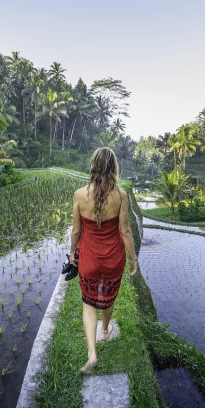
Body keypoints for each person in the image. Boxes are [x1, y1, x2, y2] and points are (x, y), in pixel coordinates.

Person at [69, 147, 138, 375]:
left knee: (88, 303)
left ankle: (92, 353)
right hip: (113, 259)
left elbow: (76, 232)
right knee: (108, 298)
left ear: (93, 166)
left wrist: (72, 254)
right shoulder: (121, 196)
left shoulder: (79, 195)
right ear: (113, 168)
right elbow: (125, 232)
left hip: (89, 259)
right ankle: (106, 330)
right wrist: (133, 259)